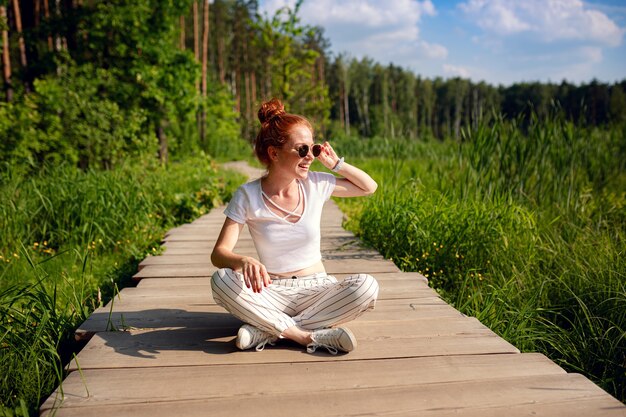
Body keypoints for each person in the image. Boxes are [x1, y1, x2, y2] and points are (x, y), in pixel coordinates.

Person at [210, 98, 379, 355]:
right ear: (274, 153)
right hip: (270, 291)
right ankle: (305, 336)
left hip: (317, 288)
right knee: (222, 280)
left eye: (314, 149)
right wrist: (242, 262)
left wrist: (336, 164)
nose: (310, 156)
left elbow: (369, 187)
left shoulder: (317, 184)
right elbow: (219, 254)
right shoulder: (247, 195)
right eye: (302, 150)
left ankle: (267, 330)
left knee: (367, 286)